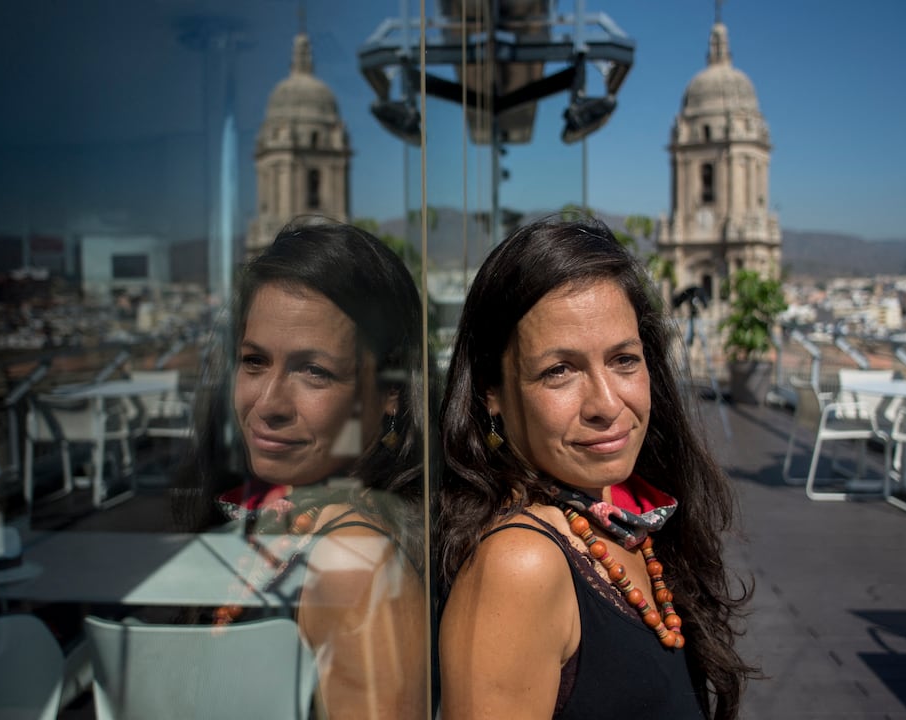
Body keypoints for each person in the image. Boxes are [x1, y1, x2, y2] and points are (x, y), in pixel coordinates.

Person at [436, 218, 754, 719]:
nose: (606, 404)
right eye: (559, 371)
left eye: (624, 360)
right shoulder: (520, 566)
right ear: (491, 393)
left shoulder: (625, 520)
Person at [178, 220, 428, 719]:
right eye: (254, 361)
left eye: (314, 371)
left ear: (390, 391)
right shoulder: (303, 519)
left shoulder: (351, 561)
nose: (268, 403)